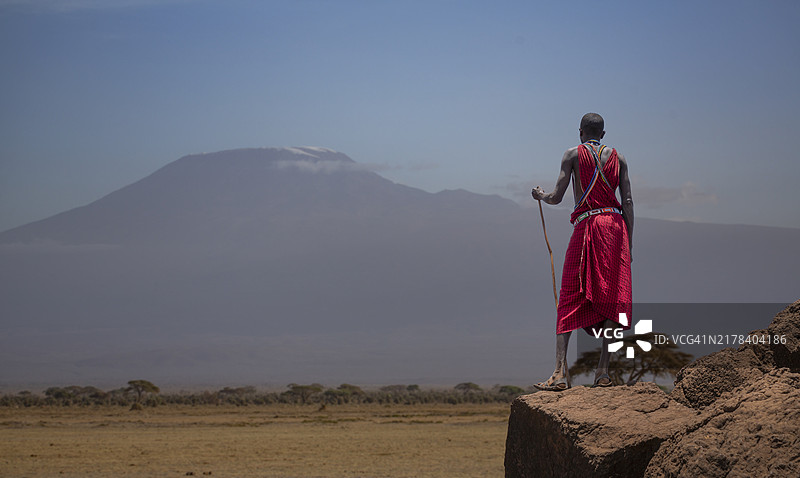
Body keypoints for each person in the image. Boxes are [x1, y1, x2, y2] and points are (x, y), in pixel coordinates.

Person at [531, 112, 633, 390]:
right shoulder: (619, 158)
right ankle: (602, 372)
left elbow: (556, 197)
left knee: (570, 294)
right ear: (603, 134)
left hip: (588, 224)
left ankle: (559, 374)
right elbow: (628, 201)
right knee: (614, 298)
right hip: (615, 229)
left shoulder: (572, 154)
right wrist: (629, 244)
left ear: (580, 132)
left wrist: (540, 195)